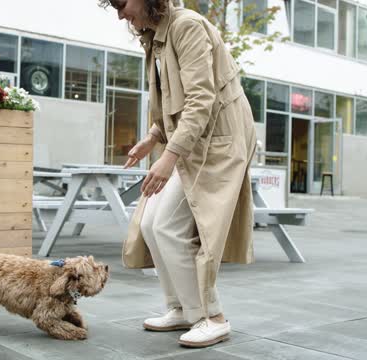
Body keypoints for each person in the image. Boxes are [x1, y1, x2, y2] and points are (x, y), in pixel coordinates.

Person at [99, 0, 258, 348]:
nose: (120, 14)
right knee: (150, 223)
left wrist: (168, 156)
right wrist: (152, 138)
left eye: (121, 3)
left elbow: (201, 99)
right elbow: (174, 99)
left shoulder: (185, 26)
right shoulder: (157, 35)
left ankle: (211, 317)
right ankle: (183, 309)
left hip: (217, 141)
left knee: (167, 225)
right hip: (195, 140)